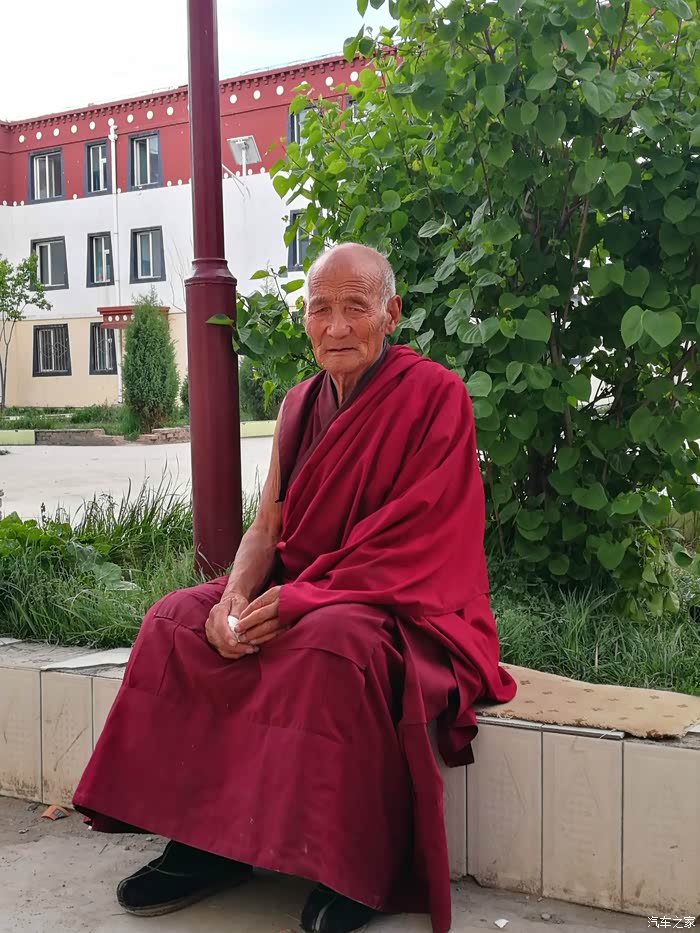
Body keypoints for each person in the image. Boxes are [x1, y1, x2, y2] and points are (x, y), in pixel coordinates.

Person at [73, 242, 516, 933]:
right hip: (307, 583)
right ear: (304, 321)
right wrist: (232, 599)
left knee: (328, 645)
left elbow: (427, 539)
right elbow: (269, 522)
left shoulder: (436, 397)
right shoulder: (297, 403)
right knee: (176, 624)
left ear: (391, 314)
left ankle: (356, 869)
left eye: (355, 308)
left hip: (400, 603)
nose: (337, 326)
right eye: (321, 310)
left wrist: (309, 598)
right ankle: (203, 843)